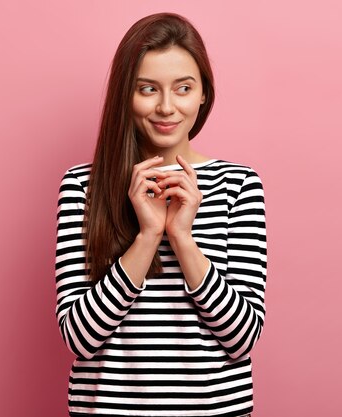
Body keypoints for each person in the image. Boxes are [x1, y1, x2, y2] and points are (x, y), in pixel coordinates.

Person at [54, 12, 266, 417]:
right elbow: (78, 338)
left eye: (183, 88)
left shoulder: (238, 184)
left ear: (203, 93)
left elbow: (243, 337)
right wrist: (148, 235)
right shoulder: (84, 187)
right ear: (125, 95)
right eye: (147, 89)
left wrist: (183, 239)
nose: (166, 107)